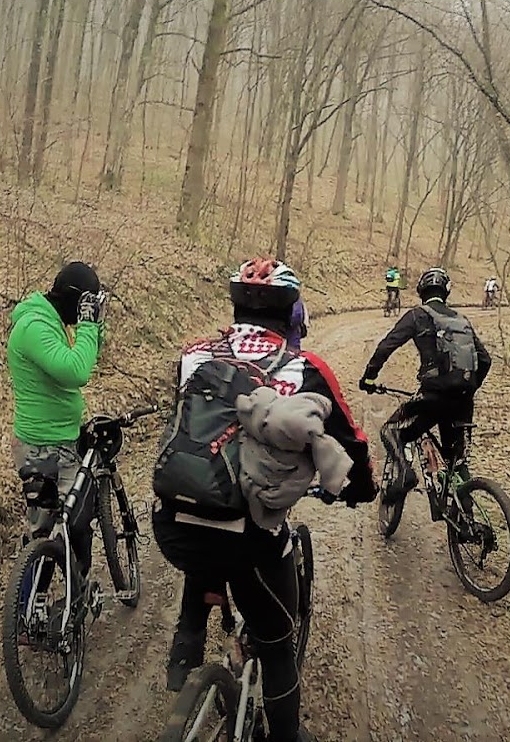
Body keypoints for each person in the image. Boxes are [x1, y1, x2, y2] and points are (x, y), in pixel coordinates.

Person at [154, 257, 376, 742]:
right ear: (291, 311)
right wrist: (362, 489)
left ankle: (187, 642)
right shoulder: (305, 367)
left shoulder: (194, 353)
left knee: (206, 521)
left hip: (171, 522)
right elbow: (354, 447)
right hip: (251, 538)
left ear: (236, 305)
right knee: (276, 644)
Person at [6, 262, 108, 584]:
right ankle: (31, 599)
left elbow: (87, 354)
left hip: (59, 439)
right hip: (44, 446)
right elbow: (76, 371)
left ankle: (66, 592)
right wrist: (88, 326)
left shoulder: (52, 321)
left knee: (58, 525)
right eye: (87, 304)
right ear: (77, 300)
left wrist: (94, 327)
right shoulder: (34, 327)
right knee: (56, 526)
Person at [358, 267, 492, 501]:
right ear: (446, 292)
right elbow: (485, 360)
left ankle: (405, 475)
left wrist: (369, 377)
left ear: (421, 291)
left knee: (391, 431)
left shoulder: (417, 315)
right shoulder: (461, 320)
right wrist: (467, 388)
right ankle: (466, 516)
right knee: (457, 461)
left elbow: (387, 346)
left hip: (433, 397)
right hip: (464, 399)